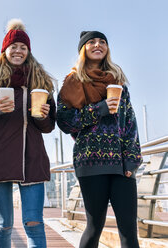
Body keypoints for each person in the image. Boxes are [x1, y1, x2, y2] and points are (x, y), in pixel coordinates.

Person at [0, 19, 56, 248]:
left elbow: (49, 127)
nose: (18, 51)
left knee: (34, 224)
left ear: (28, 51)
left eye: (23, 47)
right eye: (14, 46)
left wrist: (42, 116)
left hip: (32, 160)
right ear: (5, 50)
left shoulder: (41, 82)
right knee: (4, 225)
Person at [56, 31, 142, 248]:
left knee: (129, 231)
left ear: (107, 49)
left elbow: (130, 123)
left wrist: (132, 159)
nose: (98, 45)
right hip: (90, 162)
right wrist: (99, 109)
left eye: (102, 41)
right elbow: (65, 123)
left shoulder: (119, 83)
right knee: (94, 227)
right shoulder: (72, 82)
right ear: (83, 49)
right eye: (92, 42)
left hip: (121, 165)